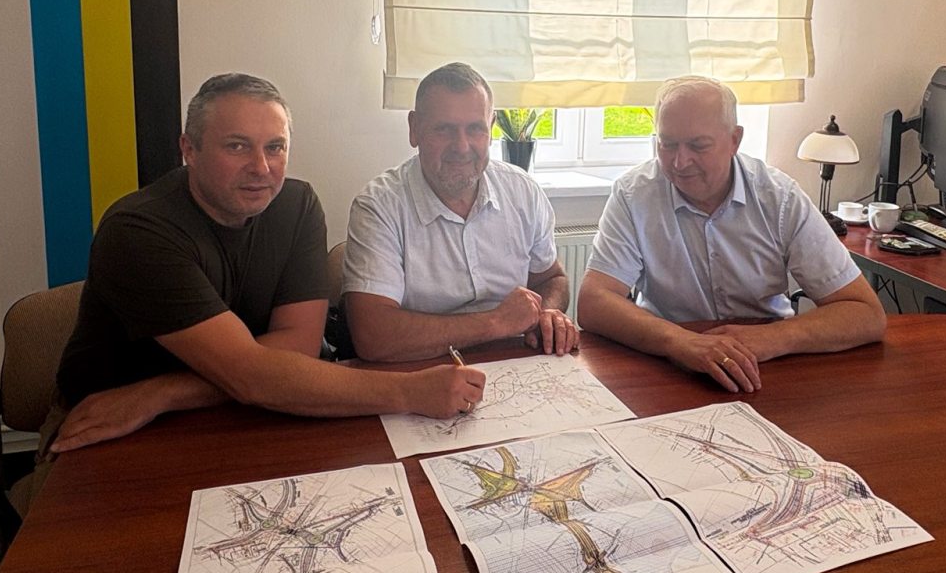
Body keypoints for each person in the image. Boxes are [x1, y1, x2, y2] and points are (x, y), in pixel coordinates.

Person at [48, 73, 485, 454]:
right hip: (111, 422)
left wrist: (163, 392)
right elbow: (250, 376)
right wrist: (410, 391)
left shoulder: (296, 205)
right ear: (189, 149)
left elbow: (298, 347)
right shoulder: (138, 232)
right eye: (237, 146)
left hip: (219, 410)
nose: (261, 167)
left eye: (275, 147)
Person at [576, 76, 885, 392]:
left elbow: (865, 314)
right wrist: (679, 341)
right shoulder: (634, 194)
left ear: (734, 140)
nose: (680, 162)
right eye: (667, 144)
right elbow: (593, 301)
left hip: (766, 365)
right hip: (667, 364)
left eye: (698, 146)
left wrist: (773, 338)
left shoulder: (779, 198)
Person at [342, 62, 579, 361]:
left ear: (491, 128)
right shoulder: (379, 207)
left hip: (516, 365)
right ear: (414, 129)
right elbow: (374, 336)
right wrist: (495, 322)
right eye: (444, 129)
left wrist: (547, 312)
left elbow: (552, 278)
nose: (462, 146)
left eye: (475, 129)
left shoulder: (523, 192)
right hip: (421, 371)